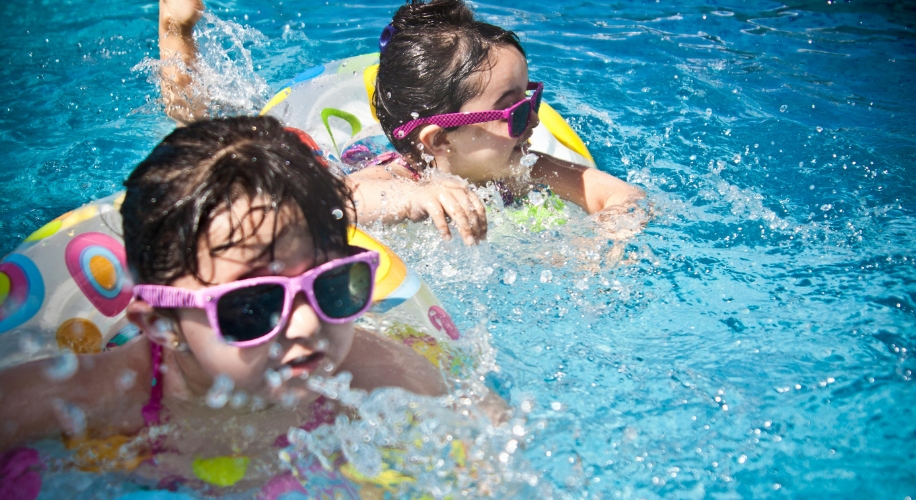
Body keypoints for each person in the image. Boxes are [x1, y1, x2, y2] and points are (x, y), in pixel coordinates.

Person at [0, 116, 446, 477]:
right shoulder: (95, 398)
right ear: (161, 322)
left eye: (331, 285)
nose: (309, 325)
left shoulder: (376, 375)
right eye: (253, 306)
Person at [158, 0, 645, 245]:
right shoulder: (394, 177)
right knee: (199, 138)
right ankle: (176, 34)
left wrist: (611, 237)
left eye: (532, 99)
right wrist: (412, 197)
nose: (533, 121)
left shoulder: (526, 167)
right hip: (344, 160)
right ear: (438, 139)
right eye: (516, 111)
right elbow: (327, 208)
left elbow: (616, 194)